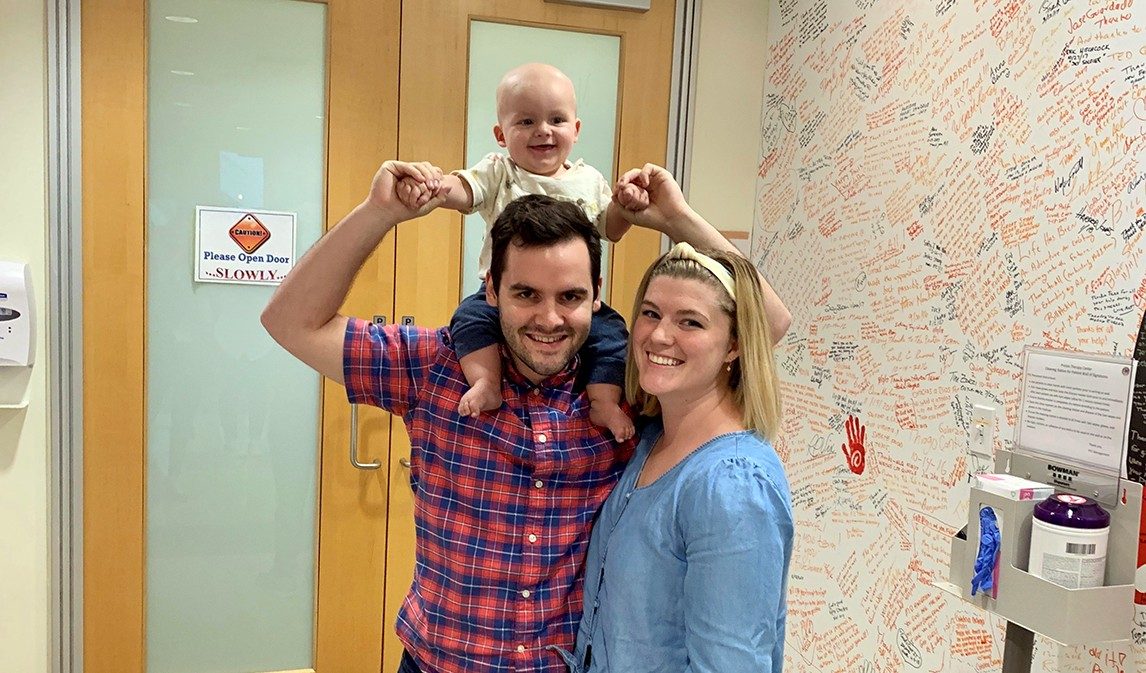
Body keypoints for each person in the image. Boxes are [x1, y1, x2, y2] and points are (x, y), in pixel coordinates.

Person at [261, 160, 790, 673]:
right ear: (491, 290)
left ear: (596, 297)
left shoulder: (630, 389)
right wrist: (378, 213)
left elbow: (757, 324)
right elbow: (290, 322)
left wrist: (678, 219)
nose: (550, 318)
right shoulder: (436, 367)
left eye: (571, 297)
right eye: (526, 294)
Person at [561, 223, 794, 672]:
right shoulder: (650, 439)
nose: (659, 336)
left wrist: (676, 212)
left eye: (690, 321)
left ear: (735, 345)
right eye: (650, 313)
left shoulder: (732, 486)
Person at [398, 62, 636, 440]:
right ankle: (487, 382)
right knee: (470, 320)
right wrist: (432, 186)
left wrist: (627, 203)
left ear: (575, 130)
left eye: (556, 119)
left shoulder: (589, 180)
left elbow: (611, 227)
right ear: (501, 134)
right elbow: (464, 191)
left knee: (611, 335)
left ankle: (604, 401)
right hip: (501, 298)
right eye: (525, 122)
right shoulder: (500, 171)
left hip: (574, 296)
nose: (542, 130)